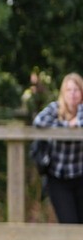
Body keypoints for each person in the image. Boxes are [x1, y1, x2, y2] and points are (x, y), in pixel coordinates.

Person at [32, 72, 83, 224]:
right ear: (63, 92)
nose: (72, 94)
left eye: (76, 90)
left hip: (80, 175)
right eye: (69, 90)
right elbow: (38, 122)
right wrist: (67, 125)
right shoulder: (55, 108)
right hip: (58, 177)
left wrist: (76, 121)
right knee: (69, 223)